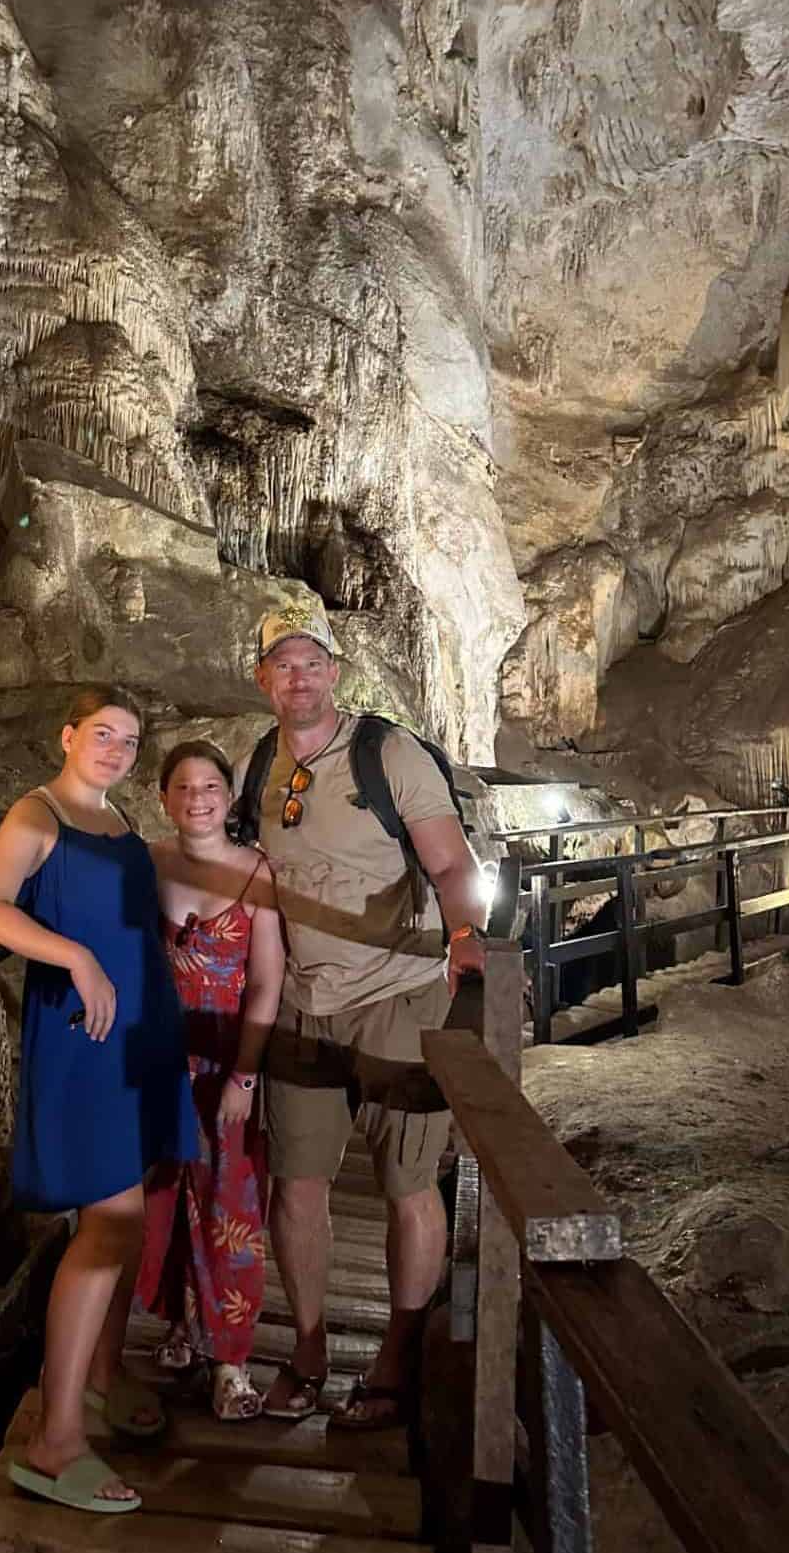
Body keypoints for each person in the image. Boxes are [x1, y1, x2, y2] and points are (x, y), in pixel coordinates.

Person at [242, 605, 488, 1430]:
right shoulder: (261, 765)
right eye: (283, 665)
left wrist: (465, 936)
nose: (299, 677)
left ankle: (396, 1357)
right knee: (296, 1184)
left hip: (397, 992)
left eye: (312, 662)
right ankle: (308, 1348)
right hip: (306, 1002)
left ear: (335, 672)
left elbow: (451, 861)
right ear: (262, 678)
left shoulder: (387, 753)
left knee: (407, 1182)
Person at [0, 685, 197, 1514]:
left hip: (136, 1035)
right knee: (112, 1221)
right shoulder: (38, 816)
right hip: (84, 1037)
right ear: (68, 734)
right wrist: (75, 957)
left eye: (131, 742)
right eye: (103, 735)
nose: (117, 751)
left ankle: (101, 1374)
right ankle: (56, 1439)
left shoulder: (117, 819)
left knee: (124, 1214)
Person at [135, 740, 285, 1420]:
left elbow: (266, 983)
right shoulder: (152, 863)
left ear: (229, 796)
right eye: (183, 787)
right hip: (166, 1058)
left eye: (210, 785)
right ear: (164, 799)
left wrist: (245, 1077)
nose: (197, 797)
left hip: (227, 1059)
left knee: (229, 1206)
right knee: (167, 1197)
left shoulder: (256, 873)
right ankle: (183, 1326)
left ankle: (232, 1362)